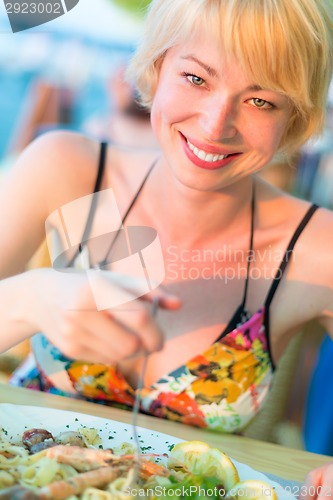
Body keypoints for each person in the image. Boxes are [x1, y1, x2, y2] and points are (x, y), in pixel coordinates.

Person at [0, 0, 333, 493]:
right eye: (197, 78)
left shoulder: (315, 248)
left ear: (297, 117)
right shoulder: (66, 169)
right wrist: (29, 298)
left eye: (261, 100)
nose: (216, 124)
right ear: (157, 67)